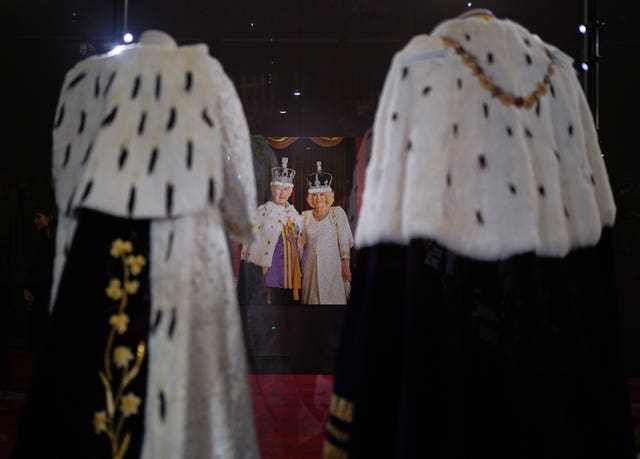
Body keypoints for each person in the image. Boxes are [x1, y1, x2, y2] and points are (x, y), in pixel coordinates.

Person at [324, 9, 635, 459]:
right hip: (546, 325)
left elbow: (382, 246)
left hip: (438, 322)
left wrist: (356, 406)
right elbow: (596, 254)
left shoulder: (419, 62)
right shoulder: (562, 75)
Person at [12, 29, 259, 459]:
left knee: (87, 367)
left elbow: (65, 174)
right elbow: (236, 178)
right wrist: (238, 221)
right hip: (184, 235)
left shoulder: (87, 75)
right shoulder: (206, 74)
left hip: (100, 238)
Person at [240, 157, 303, 305]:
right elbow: (253, 247)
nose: (282, 193)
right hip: (270, 273)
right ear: (271, 188)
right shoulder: (261, 213)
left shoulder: (296, 215)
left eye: (286, 188)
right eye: (278, 188)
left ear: (291, 190)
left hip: (292, 275)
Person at [301, 161, 353, 304]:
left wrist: (346, 266)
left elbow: (344, 242)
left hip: (332, 269)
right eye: (315, 195)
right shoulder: (305, 216)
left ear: (327, 195)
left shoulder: (337, 213)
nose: (318, 198)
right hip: (310, 270)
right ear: (311, 197)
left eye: (322, 194)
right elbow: (300, 245)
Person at [23, 208, 55, 352]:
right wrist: (26, 290)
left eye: (38, 217)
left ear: (49, 218)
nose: (35, 221)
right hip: (37, 302)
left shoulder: (58, 243)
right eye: (34, 218)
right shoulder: (36, 243)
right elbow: (31, 270)